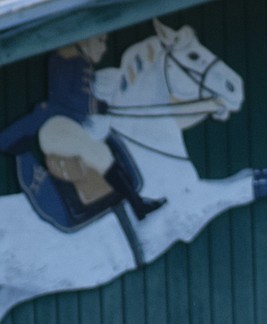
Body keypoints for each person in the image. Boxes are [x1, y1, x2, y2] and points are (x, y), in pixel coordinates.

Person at [0, 35, 165, 220]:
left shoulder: (80, 61)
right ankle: (137, 206)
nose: (104, 48)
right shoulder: (65, 59)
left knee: (105, 142)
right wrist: (94, 106)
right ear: (84, 41)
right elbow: (63, 99)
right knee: (98, 152)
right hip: (55, 127)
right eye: (100, 41)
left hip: (70, 125)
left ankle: (136, 203)